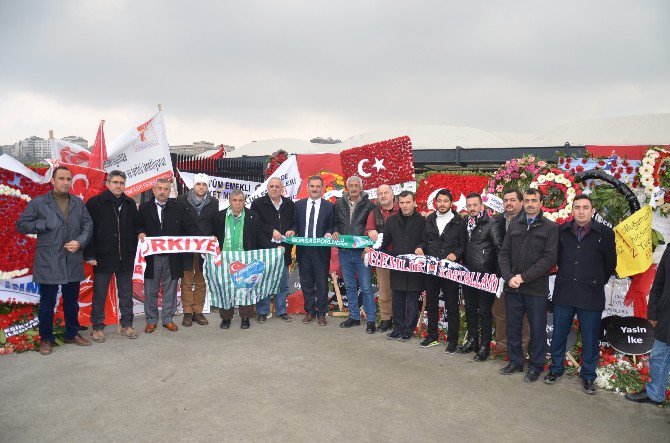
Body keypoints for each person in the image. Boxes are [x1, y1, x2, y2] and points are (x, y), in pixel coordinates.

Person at [16, 166, 93, 355]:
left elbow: (88, 225)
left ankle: (72, 333)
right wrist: (43, 224)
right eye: (61, 178)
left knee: (71, 302)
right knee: (47, 303)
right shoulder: (39, 203)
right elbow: (21, 224)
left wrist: (80, 242)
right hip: (48, 260)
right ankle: (46, 339)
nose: (66, 182)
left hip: (72, 259)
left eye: (69, 179)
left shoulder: (78, 203)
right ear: (53, 180)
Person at [544, 195, 616, 393]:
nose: (581, 211)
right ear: (572, 210)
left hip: (591, 293)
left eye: (585, 207)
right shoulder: (562, 231)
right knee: (559, 333)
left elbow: (611, 264)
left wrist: (595, 281)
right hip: (564, 291)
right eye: (577, 207)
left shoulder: (605, 233)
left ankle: (588, 376)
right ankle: (556, 369)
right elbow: (555, 257)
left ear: (592, 211)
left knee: (590, 337)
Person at [498, 188, 558, 382]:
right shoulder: (515, 225)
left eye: (534, 200)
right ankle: (515, 361)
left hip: (535, 289)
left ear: (541, 203)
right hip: (513, 287)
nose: (530, 204)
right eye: (527, 200)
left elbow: (548, 259)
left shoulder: (550, 228)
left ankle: (536, 366)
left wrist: (522, 277)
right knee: (513, 326)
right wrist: (509, 277)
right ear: (522, 203)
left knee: (537, 328)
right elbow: (504, 254)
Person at [137, 178, 199, 333]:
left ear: (170, 190)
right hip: (152, 257)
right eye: (159, 188)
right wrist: (140, 232)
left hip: (172, 257)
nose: (162, 191)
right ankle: (151, 319)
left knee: (170, 288)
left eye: (166, 188)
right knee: (150, 289)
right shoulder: (144, 207)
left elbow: (189, 228)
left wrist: (204, 239)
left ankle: (167, 319)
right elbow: (138, 225)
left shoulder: (178, 207)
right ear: (154, 190)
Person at [84, 170, 140, 342]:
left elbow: (137, 228)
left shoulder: (130, 203)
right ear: (107, 184)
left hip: (126, 256)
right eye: (115, 182)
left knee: (126, 292)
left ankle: (127, 324)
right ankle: (98, 327)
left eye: (121, 183)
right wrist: (90, 254)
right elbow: (88, 231)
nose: (118, 185)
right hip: (103, 255)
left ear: (125, 185)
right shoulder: (95, 203)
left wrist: (140, 237)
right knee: (100, 293)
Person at [214, 189, 276, 329]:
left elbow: (260, 236)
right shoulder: (219, 216)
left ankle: (245, 318)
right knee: (226, 289)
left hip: (245, 260)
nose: (237, 204)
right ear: (230, 201)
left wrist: (273, 247)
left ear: (244, 201)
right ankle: (226, 318)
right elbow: (214, 236)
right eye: (234, 200)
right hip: (225, 260)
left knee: (246, 289)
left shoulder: (252, 216)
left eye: (240, 200)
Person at [415, 189, 465, 352]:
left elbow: (463, 245)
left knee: (451, 305)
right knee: (431, 303)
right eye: (439, 201)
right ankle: (432, 336)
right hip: (431, 269)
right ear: (435, 202)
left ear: (451, 203)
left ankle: (452, 340)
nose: (442, 204)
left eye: (445, 201)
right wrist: (420, 248)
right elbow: (424, 241)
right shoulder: (429, 219)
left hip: (450, 271)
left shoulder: (459, 221)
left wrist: (456, 254)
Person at [458, 192, 502, 361]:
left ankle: (485, 345)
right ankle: (472, 341)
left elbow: (498, 249)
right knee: (470, 309)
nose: (472, 208)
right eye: (469, 205)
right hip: (468, 274)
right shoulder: (464, 224)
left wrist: (497, 276)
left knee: (484, 311)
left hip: (485, 275)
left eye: (475, 205)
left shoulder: (492, 223)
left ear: (482, 206)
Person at [286, 175, 335, 326]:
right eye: (312, 186)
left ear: (322, 189)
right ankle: (310, 311)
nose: (314, 189)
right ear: (307, 188)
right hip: (303, 250)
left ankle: (321, 313)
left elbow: (333, 226)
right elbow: (295, 224)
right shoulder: (299, 205)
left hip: (321, 251)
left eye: (317, 186)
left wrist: (329, 232)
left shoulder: (329, 206)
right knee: (306, 282)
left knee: (321, 283)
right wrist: (292, 231)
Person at [379, 191, 426, 341]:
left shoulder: (422, 221)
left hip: (414, 267)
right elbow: (385, 242)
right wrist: (373, 252)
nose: (405, 205)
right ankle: (397, 328)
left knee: (412, 300)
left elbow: (427, 240)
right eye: (402, 203)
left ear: (414, 203)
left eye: (408, 202)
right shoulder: (392, 221)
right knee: (397, 299)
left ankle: (408, 330)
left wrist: (421, 247)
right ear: (398, 203)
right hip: (397, 266)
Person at [626, 246, 670, 405]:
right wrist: (652, 313)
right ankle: (655, 395)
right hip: (666, 317)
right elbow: (659, 282)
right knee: (658, 356)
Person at [333, 176, 376, 333]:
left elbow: (372, 227)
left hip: (362, 252)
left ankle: (371, 320)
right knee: (350, 286)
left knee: (365, 287)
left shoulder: (370, 205)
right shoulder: (339, 204)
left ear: (361, 187)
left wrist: (369, 246)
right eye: (350, 185)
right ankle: (354, 317)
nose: (353, 188)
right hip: (344, 251)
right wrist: (335, 231)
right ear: (347, 187)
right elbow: (335, 223)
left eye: (356, 185)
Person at [250, 177, 295, 322]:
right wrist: (271, 231)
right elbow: (255, 224)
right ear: (267, 188)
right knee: (263, 281)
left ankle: (281, 311)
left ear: (282, 189)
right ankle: (262, 311)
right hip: (265, 250)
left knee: (282, 283)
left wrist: (293, 230)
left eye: (277, 186)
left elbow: (295, 222)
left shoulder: (289, 204)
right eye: (272, 186)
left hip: (283, 250)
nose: (274, 189)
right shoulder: (257, 204)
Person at [176, 173, 218, 327]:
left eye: (204, 185)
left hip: (204, 248)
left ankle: (198, 312)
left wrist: (214, 238)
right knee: (186, 280)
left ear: (207, 187)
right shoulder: (181, 200)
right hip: (186, 247)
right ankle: (187, 312)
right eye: (198, 184)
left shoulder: (214, 202)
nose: (201, 187)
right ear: (193, 185)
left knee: (201, 280)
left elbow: (215, 223)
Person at [492, 188, 530, 357]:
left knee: (522, 316)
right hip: (501, 275)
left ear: (521, 202)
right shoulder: (496, 220)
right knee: (500, 312)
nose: (509, 203)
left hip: (522, 276)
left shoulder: (529, 220)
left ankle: (521, 349)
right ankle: (502, 347)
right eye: (506, 200)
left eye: (513, 200)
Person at [365, 184, 399, 332]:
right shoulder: (374, 213)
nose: (383, 196)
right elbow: (367, 230)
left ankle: (399, 319)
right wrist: (370, 231)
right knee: (384, 290)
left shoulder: (403, 209)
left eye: (386, 193)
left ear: (393, 194)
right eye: (380, 194)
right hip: (382, 257)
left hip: (400, 258)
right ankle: (386, 319)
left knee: (400, 290)